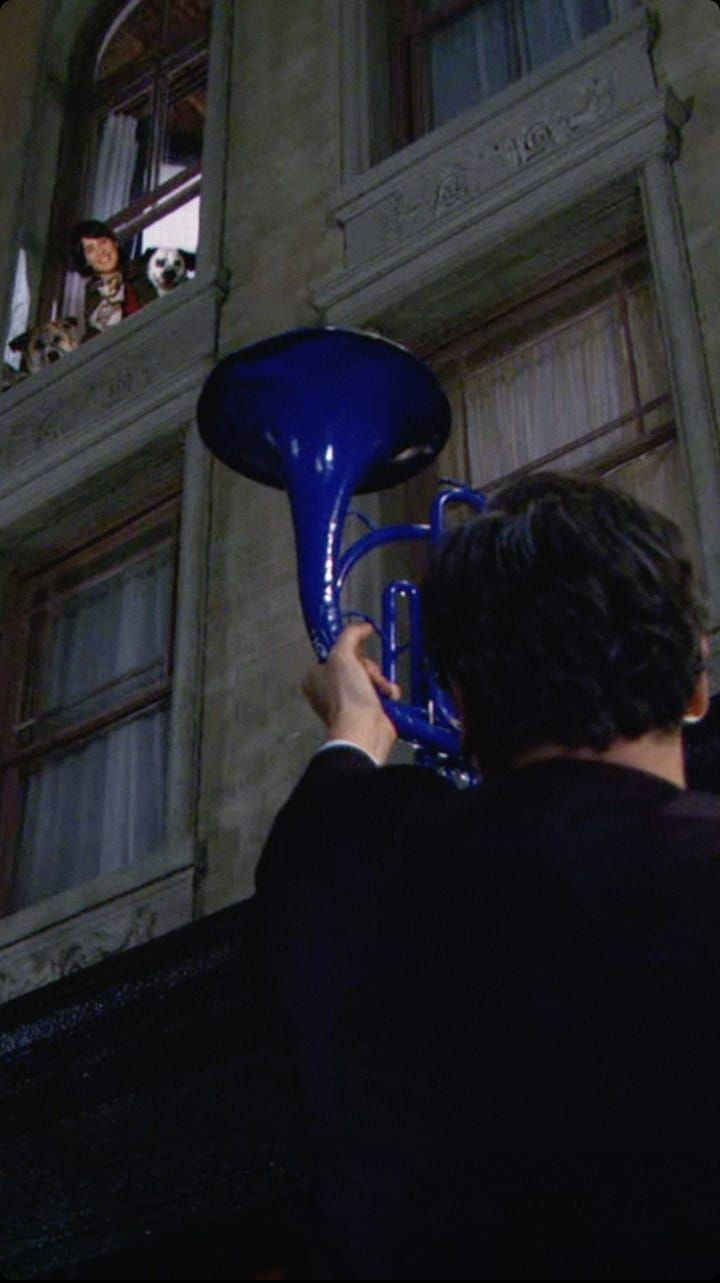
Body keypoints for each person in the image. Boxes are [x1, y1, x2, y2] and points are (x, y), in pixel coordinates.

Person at [255, 472, 720, 1280]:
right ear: (695, 686)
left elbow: (315, 853)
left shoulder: (374, 879)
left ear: (461, 702)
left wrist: (356, 728)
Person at [70, 219, 156, 337]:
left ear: (115, 243)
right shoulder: (93, 297)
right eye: (90, 249)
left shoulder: (146, 268)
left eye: (103, 242)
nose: (101, 251)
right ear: (85, 261)